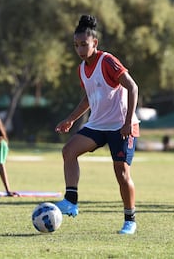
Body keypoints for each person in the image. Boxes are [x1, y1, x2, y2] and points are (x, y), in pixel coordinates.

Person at [55, 15, 140, 234]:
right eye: (76, 45)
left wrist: (129, 121)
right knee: (69, 151)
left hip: (122, 125)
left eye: (84, 44)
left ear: (95, 43)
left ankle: (130, 220)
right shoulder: (82, 69)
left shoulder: (108, 61)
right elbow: (88, 98)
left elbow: (132, 87)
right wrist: (71, 119)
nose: (80, 49)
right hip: (98, 125)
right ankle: (71, 201)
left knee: (122, 174)